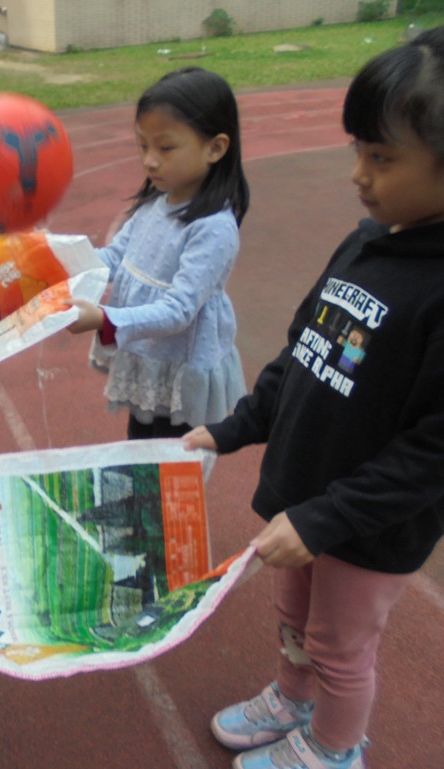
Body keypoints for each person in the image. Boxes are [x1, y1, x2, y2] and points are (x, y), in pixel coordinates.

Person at [184, 28, 444, 769]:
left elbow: (432, 454)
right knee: (295, 619)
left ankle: (334, 748)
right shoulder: (365, 242)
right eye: (358, 149)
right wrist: (233, 428)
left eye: (382, 158)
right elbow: (303, 353)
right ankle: (293, 701)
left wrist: (326, 518)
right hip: (306, 497)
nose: (358, 174)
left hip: (365, 526)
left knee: (340, 644)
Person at [66, 67, 249, 439]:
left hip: (181, 370)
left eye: (165, 148)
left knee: (173, 459)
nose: (150, 160)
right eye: (143, 145)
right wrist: (61, 262)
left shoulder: (212, 227)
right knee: (141, 448)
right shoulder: (155, 202)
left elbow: (179, 310)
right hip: (150, 357)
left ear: (215, 148)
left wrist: (105, 319)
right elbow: (114, 258)